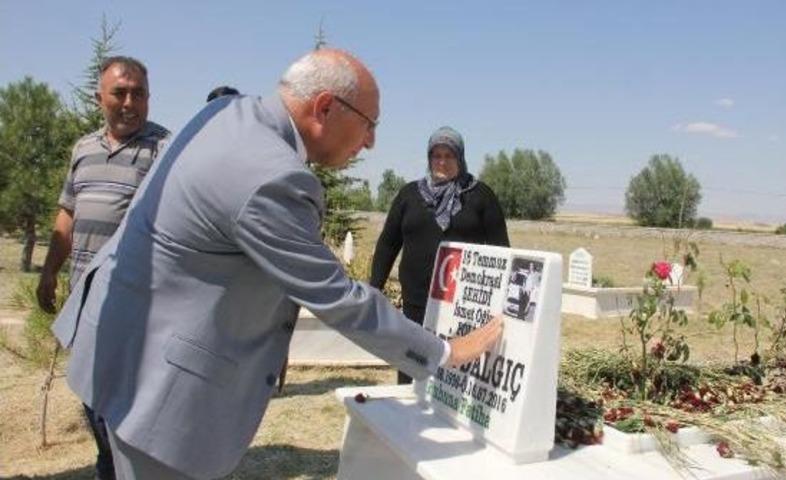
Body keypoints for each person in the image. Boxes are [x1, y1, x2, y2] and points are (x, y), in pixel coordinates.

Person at [51, 49, 503, 480]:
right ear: (324, 107)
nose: (370, 142)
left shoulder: (227, 114)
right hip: (156, 389)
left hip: (120, 345)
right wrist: (446, 352)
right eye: (369, 124)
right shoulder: (270, 174)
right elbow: (339, 298)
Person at [37, 55, 170, 480]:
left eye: (139, 94)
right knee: (91, 394)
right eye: (120, 93)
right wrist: (49, 270)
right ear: (100, 98)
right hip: (84, 301)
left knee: (127, 403)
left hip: (135, 305)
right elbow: (67, 213)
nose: (130, 103)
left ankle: (123, 469)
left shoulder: (165, 149)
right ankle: (110, 466)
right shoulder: (83, 149)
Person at [370, 126, 510, 384]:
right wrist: (374, 289)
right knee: (411, 365)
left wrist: (501, 304)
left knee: (454, 374)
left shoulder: (480, 196)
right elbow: (388, 243)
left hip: (462, 305)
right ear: (429, 158)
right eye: (436, 155)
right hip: (416, 301)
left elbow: (501, 252)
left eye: (449, 156)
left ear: (460, 158)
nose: (442, 162)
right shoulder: (409, 195)